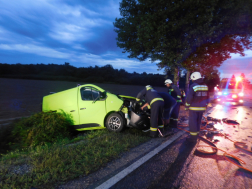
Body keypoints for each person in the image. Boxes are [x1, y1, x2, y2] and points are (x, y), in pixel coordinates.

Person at [185, 72, 209, 143]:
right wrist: (206, 105)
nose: (192, 80)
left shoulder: (194, 86)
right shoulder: (205, 86)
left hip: (194, 108)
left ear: (194, 78)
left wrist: (186, 106)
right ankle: (197, 134)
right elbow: (207, 98)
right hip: (202, 108)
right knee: (198, 122)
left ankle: (193, 138)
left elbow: (189, 98)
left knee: (193, 123)